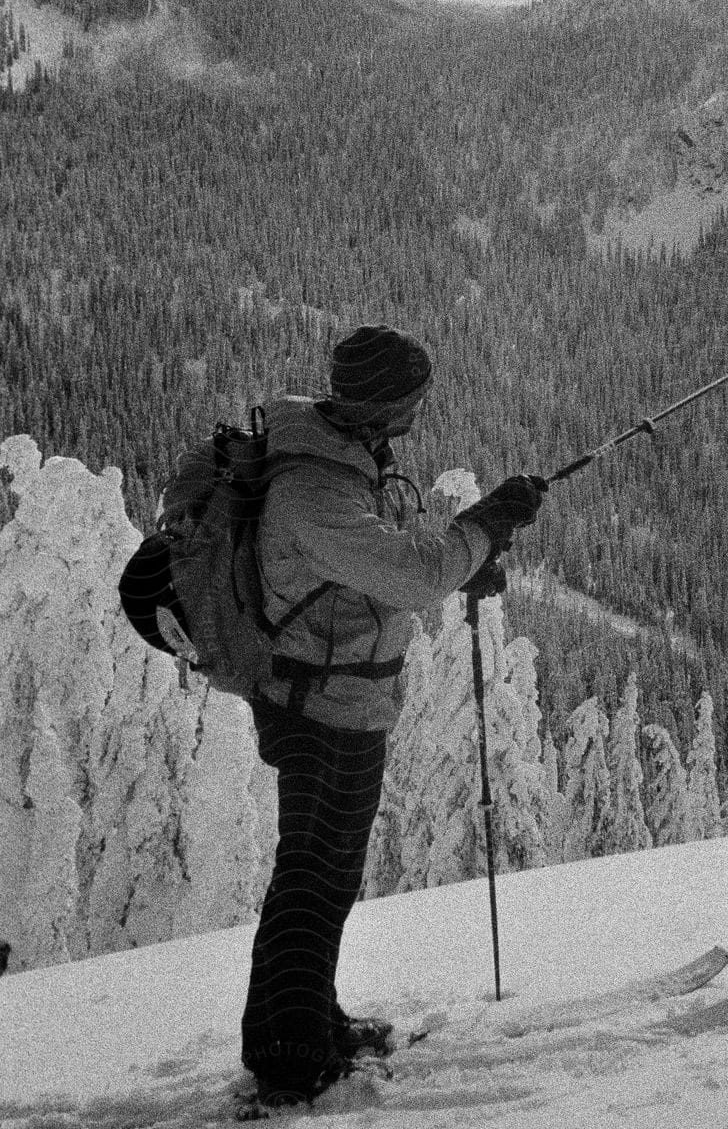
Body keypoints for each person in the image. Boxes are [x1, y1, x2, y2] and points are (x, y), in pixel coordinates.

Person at [238, 323, 545, 1108]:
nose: (417, 412)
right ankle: (294, 1059)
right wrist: (481, 529)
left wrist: (463, 562)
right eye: (410, 399)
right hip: (322, 701)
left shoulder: (337, 459)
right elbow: (405, 573)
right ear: (382, 403)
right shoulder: (314, 488)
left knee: (321, 872)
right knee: (315, 874)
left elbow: (370, 571)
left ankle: (300, 1024)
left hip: (334, 690)